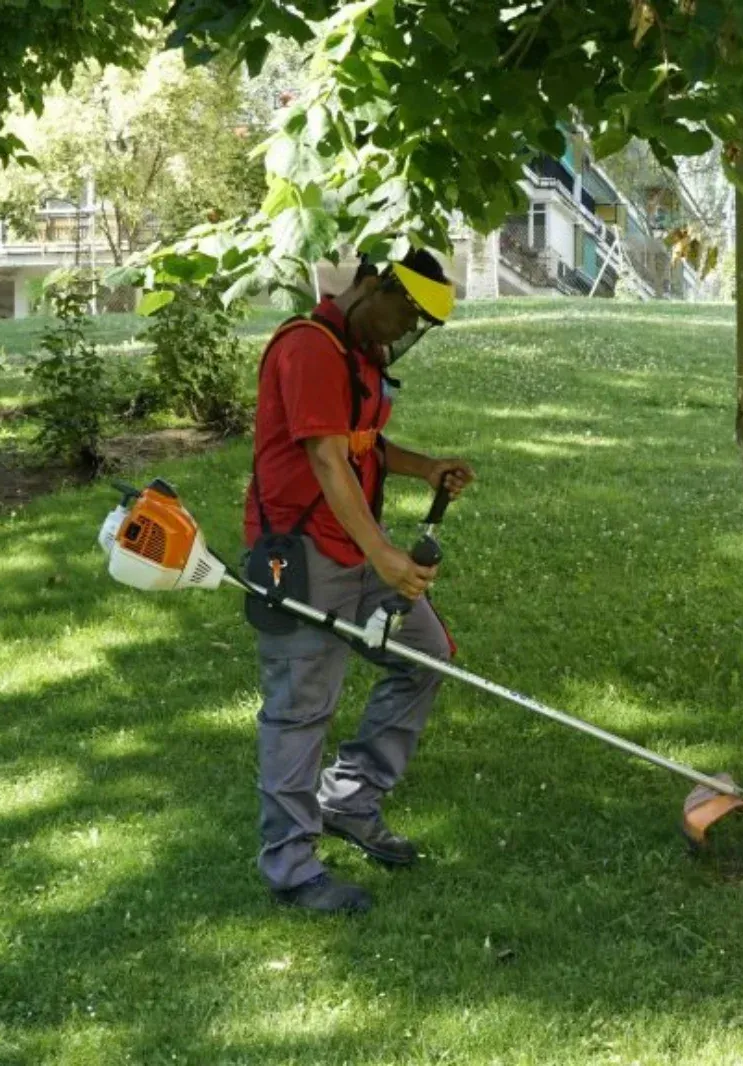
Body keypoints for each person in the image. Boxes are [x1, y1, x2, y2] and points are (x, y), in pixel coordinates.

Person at [243, 247, 472, 914]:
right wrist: (384, 555)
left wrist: (425, 467)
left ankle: (348, 798)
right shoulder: (311, 348)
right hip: (299, 555)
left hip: (352, 547)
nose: (404, 333)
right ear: (372, 285)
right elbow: (325, 457)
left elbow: (360, 445)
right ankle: (290, 867)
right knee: (298, 708)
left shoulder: (360, 355)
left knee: (425, 655)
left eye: (417, 325)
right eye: (404, 313)